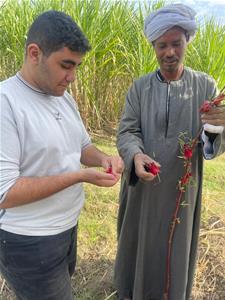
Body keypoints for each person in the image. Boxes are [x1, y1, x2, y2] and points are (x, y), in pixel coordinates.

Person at [0, 10, 123, 300]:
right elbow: (5, 193)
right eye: (66, 65)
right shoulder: (6, 103)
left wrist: (103, 158)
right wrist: (79, 176)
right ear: (34, 53)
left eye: (77, 66)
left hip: (67, 227)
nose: (72, 77)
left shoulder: (63, 97)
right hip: (29, 241)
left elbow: (81, 146)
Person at [114, 3, 225, 300]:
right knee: (141, 243)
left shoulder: (205, 86)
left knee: (175, 247)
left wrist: (215, 128)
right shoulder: (139, 88)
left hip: (182, 189)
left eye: (176, 43)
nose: (169, 52)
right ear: (153, 46)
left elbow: (211, 143)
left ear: (187, 41)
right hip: (143, 189)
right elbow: (127, 131)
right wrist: (136, 155)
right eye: (162, 45)